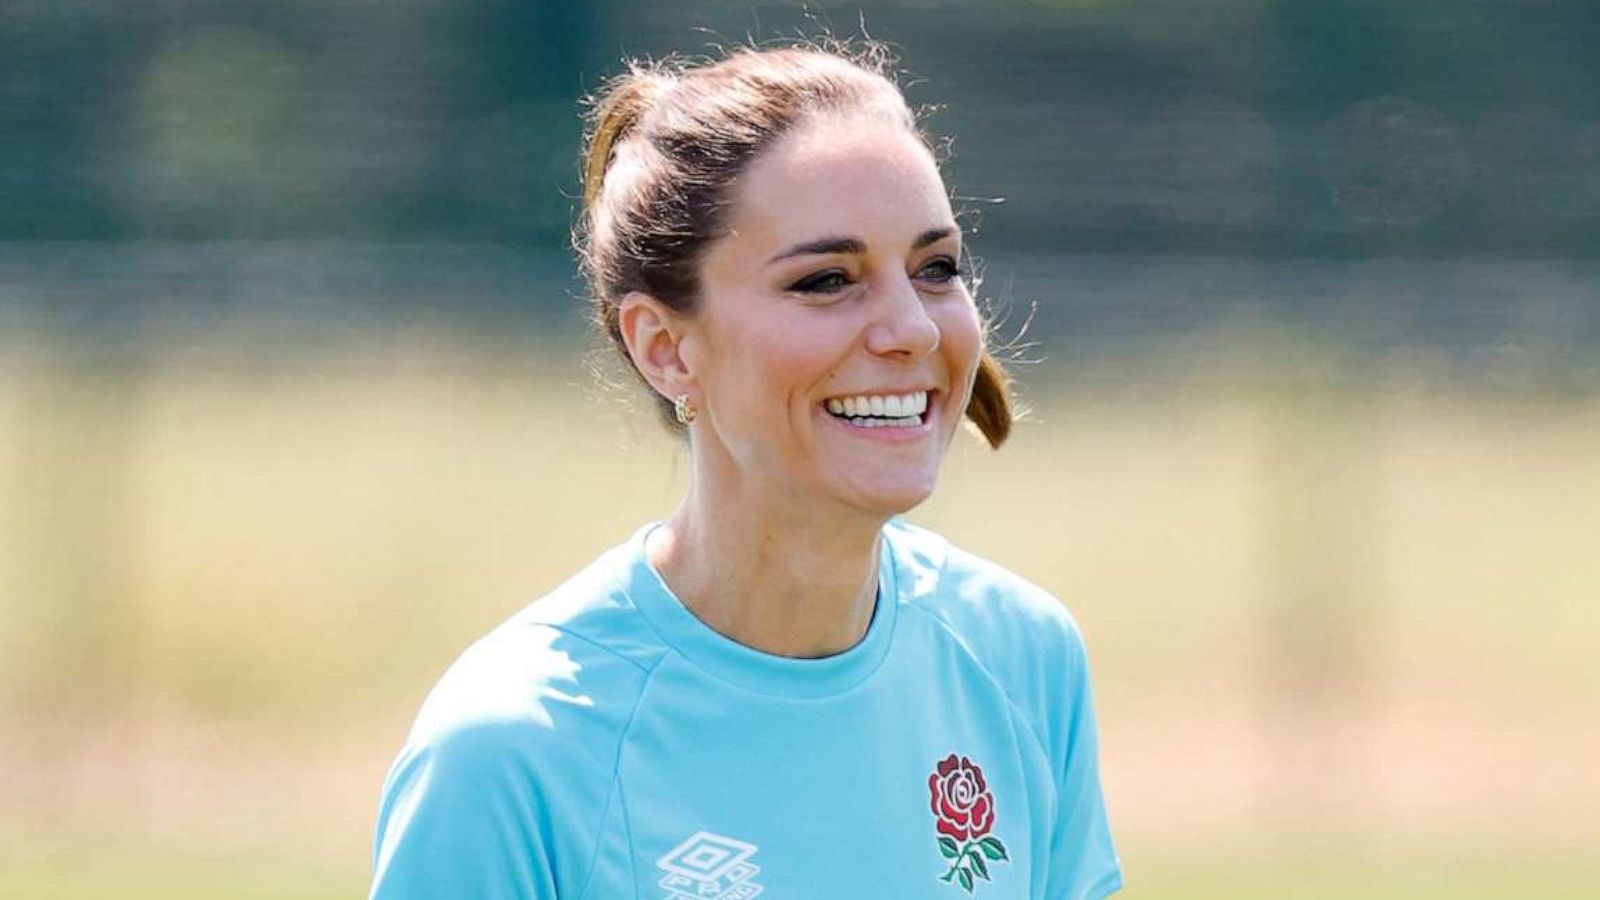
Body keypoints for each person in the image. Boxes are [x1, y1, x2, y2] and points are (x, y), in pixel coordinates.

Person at [368, 39, 1122, 900]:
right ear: (665, 348)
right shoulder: (513, 749)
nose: (911, 328)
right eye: (827, 279)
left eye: (936, 268)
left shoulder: (1022, 657)